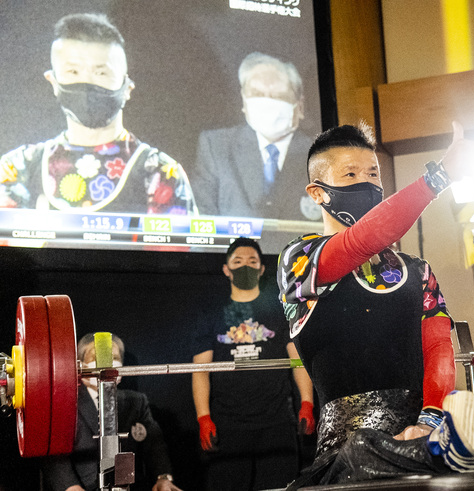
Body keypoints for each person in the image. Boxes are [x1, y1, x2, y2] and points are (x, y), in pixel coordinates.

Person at [276, 122, 474, 486]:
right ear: (318, 193)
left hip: (426, 433)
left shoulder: (417, 270)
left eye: (373, 173)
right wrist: (439, 177)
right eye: (350, 174)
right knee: (362, 449)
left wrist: (429, 420)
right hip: (347, 455)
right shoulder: (298, 259)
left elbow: (437, 348)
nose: (366, 183)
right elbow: (362, 241)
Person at [0, 13, 196, 215]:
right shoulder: (17, 168)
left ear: (127, 87)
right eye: (73, 72)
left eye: (101, 73)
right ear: (53, 82)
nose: (87, 83)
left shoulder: (161, 172)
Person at [192, 237, 315, 491]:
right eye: (237, 262)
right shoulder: (211, 314)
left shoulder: (279, 309)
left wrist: (307, 403)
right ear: (226, 269)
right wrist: (203, 418)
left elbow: (298, 360)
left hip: (276, 424)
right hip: (228, 424)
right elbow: (200, 370)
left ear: (261, 268)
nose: (245, 266)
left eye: (252, 261)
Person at [42, 333, 181, 491]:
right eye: (96, 357)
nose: (106, 364)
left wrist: (163, 478)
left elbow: (155, 445)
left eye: (113, 357)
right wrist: (71, 487)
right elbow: (54, 456)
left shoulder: (136, 402)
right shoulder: (66, 404)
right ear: (81, 364)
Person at [193, 52, 319, 223]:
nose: (267, 103)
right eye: (257, 94)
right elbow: (202, 218)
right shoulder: (215, 146)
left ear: (300, 106)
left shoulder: (322, 155)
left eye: (278, 96)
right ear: (244, 102)